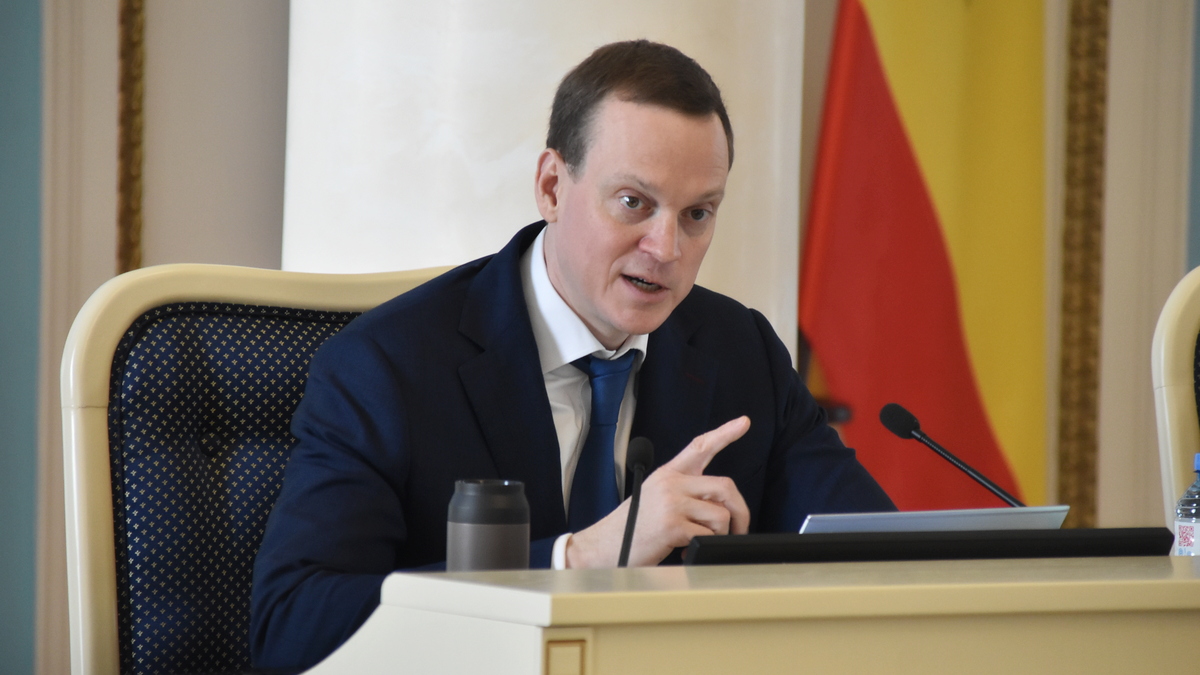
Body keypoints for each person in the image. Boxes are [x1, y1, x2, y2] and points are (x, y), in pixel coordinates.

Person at [250, 39, 894, 671]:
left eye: (697, 214)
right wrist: (580, 559)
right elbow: (294, 625)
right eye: (634, 203)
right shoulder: (386, 366)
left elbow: (885, 560)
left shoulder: (741, 351)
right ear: (553, 187)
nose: (667, 248)